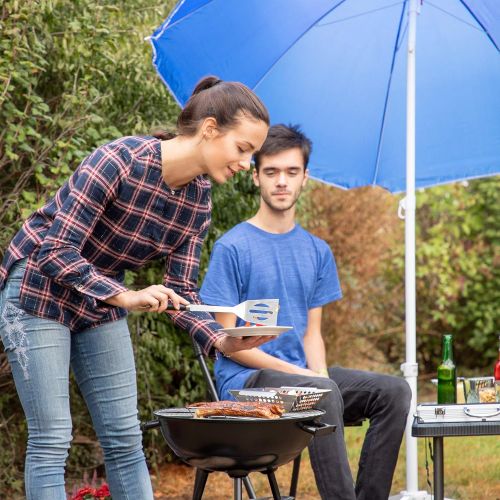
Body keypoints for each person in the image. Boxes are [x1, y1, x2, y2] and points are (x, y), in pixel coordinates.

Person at [0, 76, 271, 500]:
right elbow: (56, 249)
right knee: (53, 437)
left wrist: (223, 340)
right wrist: (125, 296)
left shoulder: (198, 201)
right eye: (243, 149)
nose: (245, 165)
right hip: (37, 288)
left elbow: (181, 290)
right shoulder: (119, 160)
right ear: (210, 128)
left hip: (100, 300)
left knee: (125, 436)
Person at [200, 124, 412, 500]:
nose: (281, 182)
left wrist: (319, 375)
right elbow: (226, 343)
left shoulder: (317, 251)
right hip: (246, 384)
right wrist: (310, 378)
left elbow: (312, 334)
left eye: (291, 172)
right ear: (256, 177)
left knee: (394, 391)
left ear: (304, 178)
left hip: (303, 381)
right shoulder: (232, 248)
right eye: (272, 172)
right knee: (320, 391)